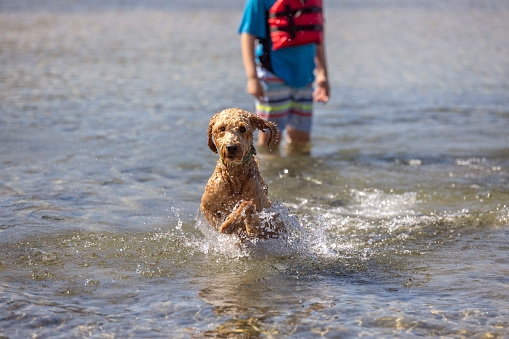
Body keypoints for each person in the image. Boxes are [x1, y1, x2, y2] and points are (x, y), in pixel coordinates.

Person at [239, 0, 330, 153]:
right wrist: (252, 78)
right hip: (273, 76)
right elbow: (247, 35)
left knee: (301, 139)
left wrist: (323, 73)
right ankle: (268, 173)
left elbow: (317, 36)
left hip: (305, 78)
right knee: (270, 139)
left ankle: (296, 175)